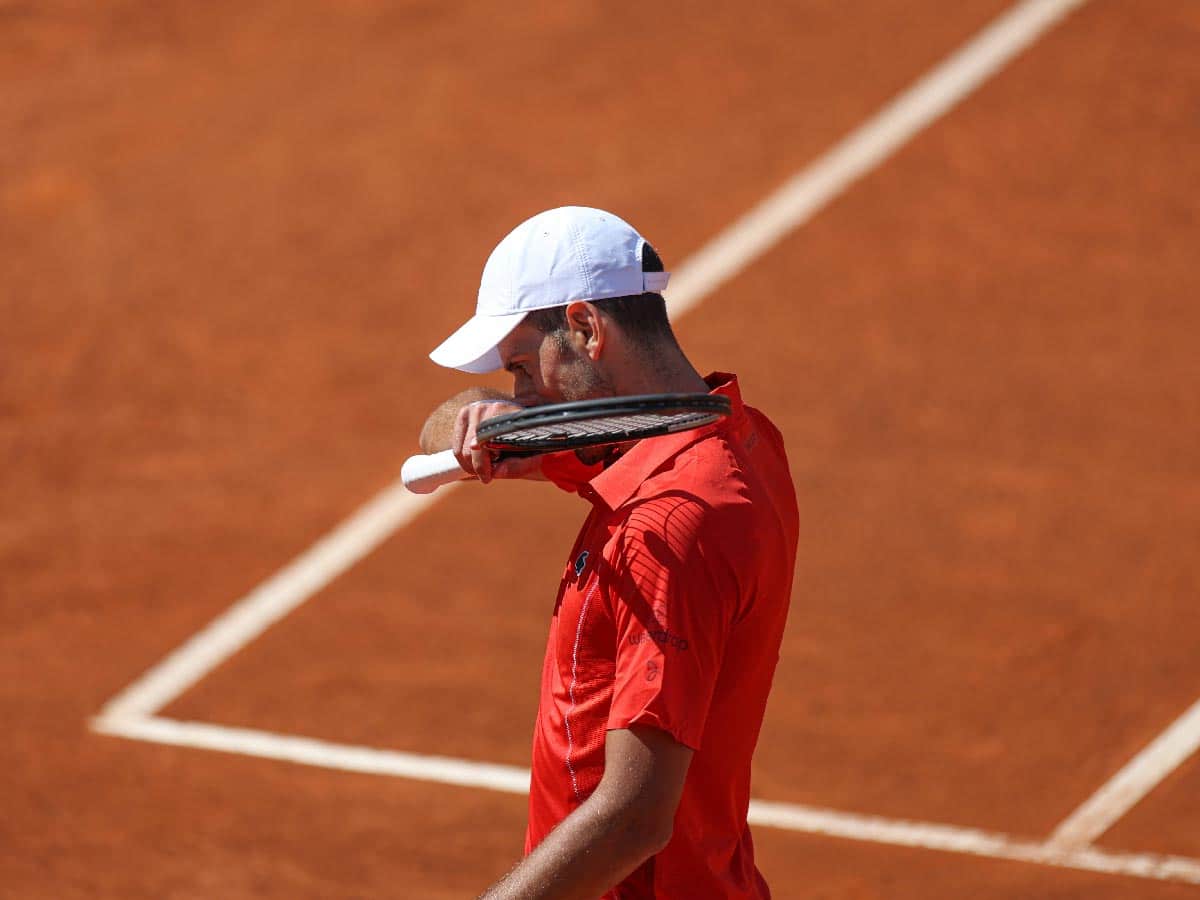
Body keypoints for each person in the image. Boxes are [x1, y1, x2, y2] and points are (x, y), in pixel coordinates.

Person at [419, 207, 799, 899]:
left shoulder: (676, 524)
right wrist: (491, 417)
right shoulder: (732, 440)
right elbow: (436, 429)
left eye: (521, 368)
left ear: (587, 329)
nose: (522, 394)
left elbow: (633, 819)